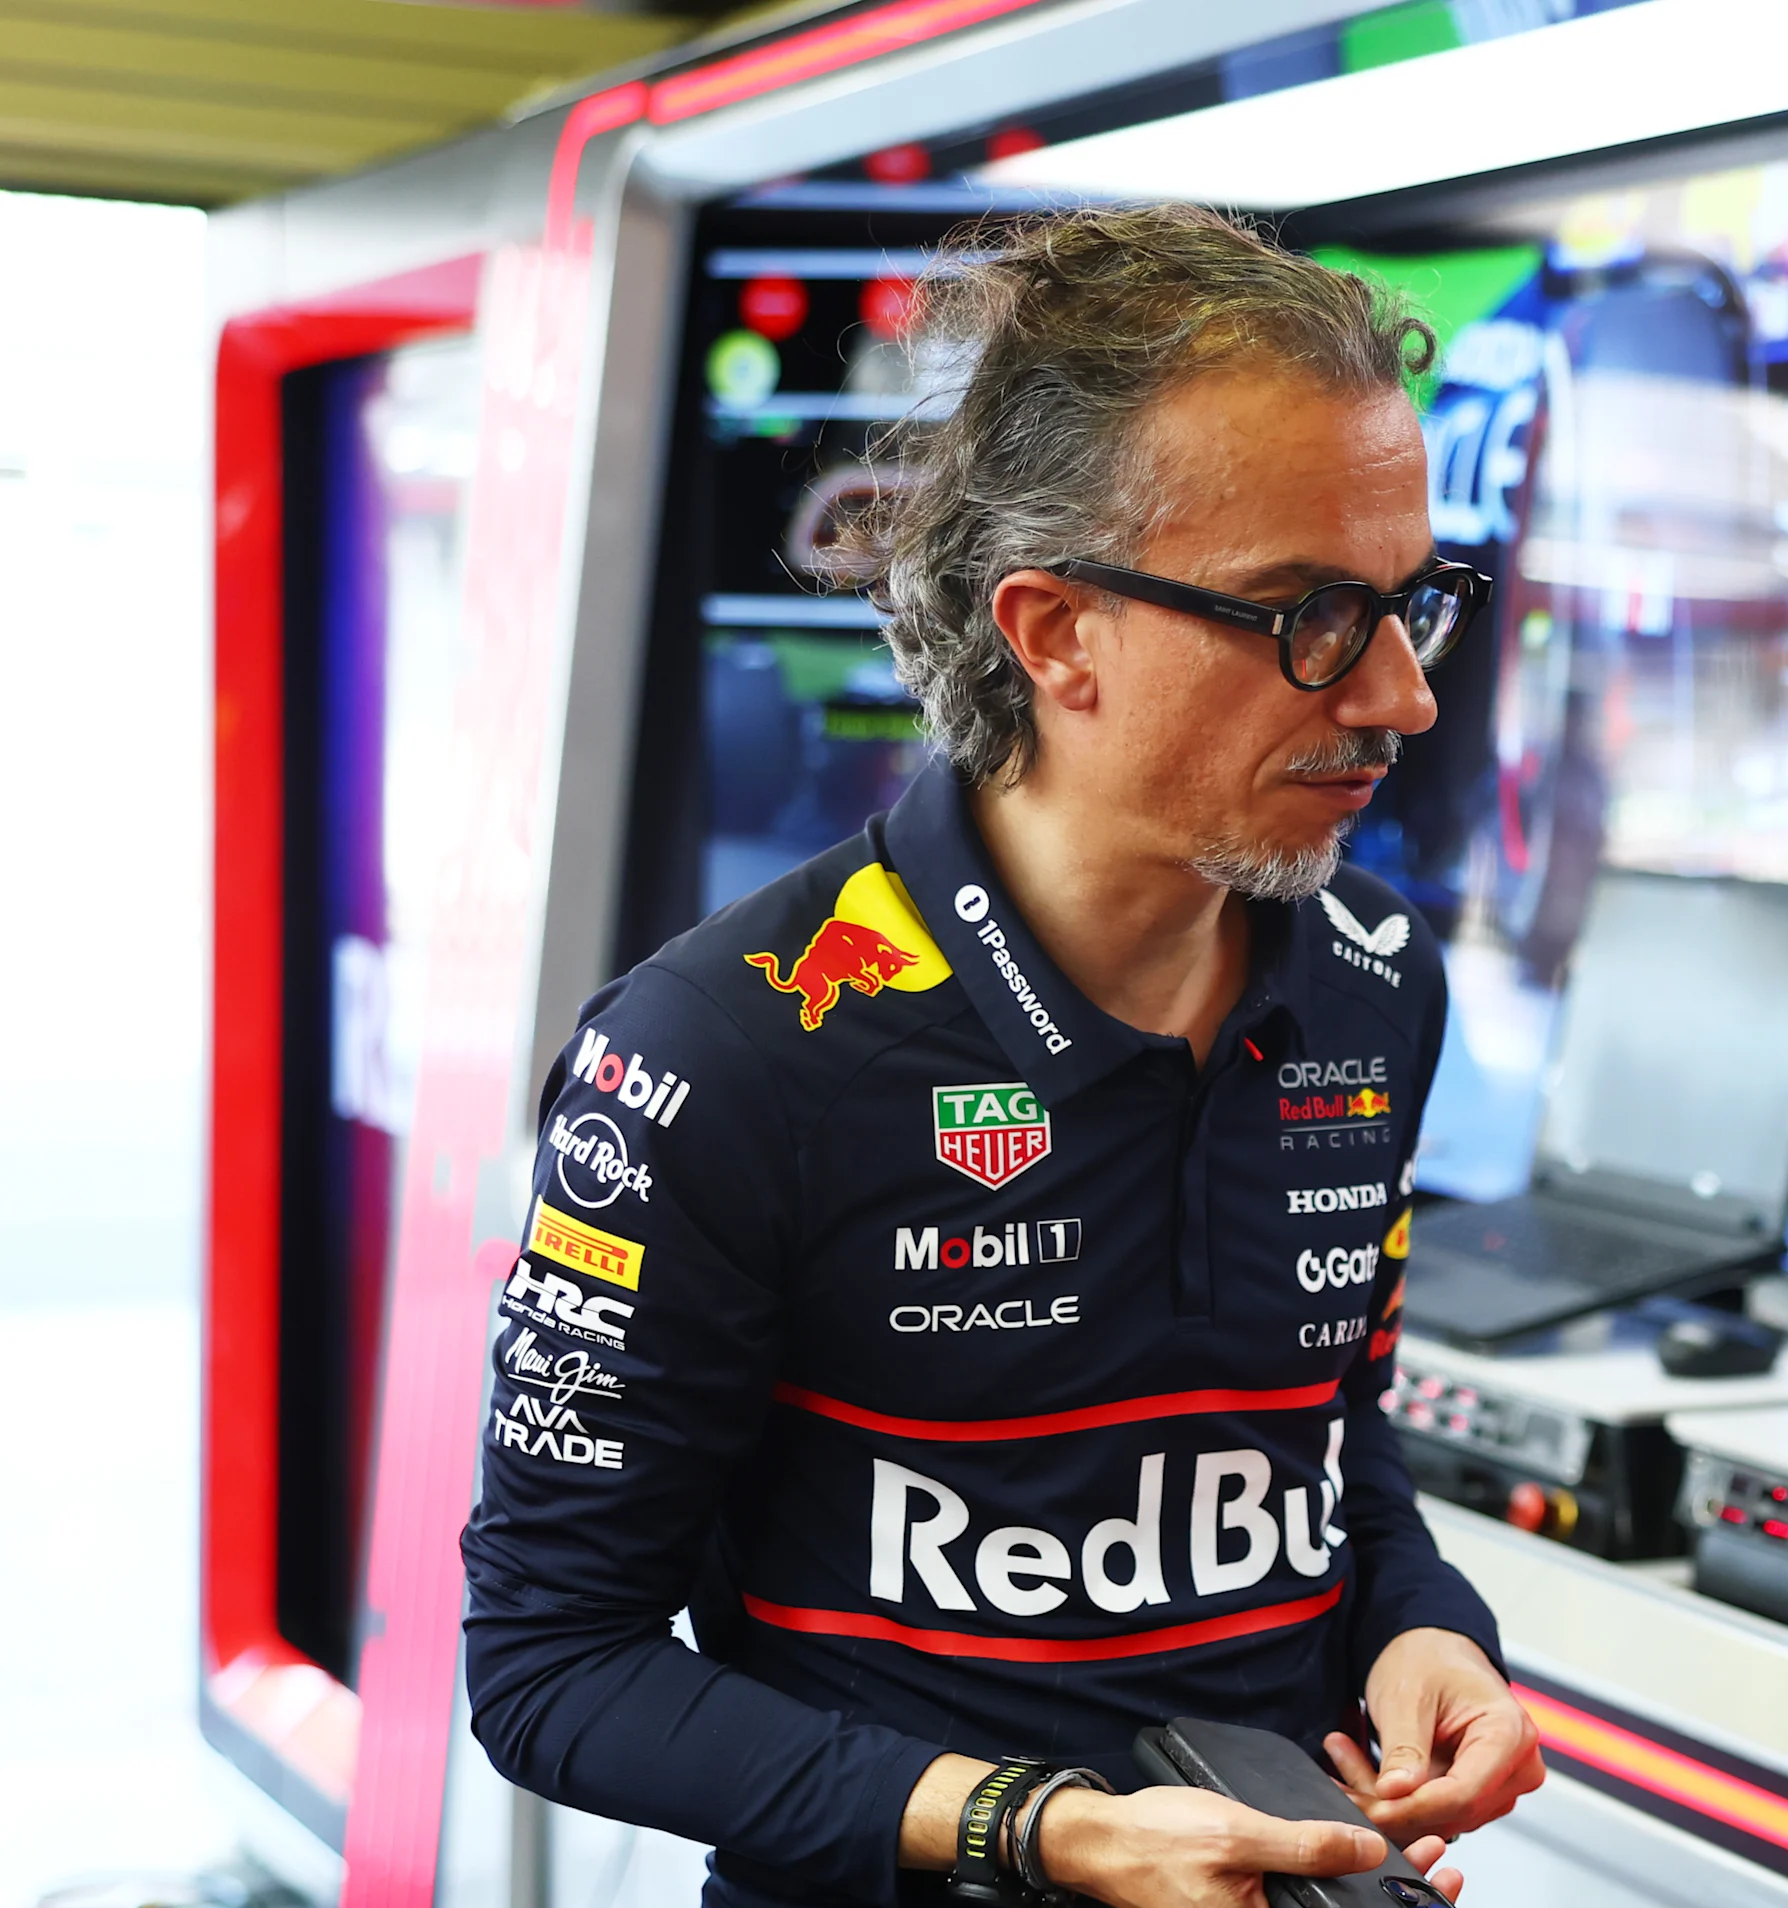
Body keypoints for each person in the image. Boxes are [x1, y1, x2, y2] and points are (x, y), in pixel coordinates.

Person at [462, 204, 1542, 1908]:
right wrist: (1038, 1827)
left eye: (1416, 602)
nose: (1400, 694)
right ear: (1051, 633)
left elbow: (1323, 1434)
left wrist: (1425, 1630)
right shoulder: (722, 1050)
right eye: (1313, 615)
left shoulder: (1375, 983)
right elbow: (552, 1667)